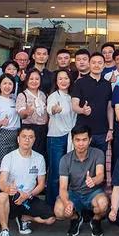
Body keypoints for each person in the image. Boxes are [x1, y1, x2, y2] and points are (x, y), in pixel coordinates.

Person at [0, 126, 54, 236]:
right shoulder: (9, 157)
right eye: (24, 137)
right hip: (13, 197)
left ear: (34, 140)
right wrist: (9, 189)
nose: (27, 140)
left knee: (50, 218)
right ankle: (5, 231)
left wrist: (28, 195)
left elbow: (41, 184)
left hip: (29, 198)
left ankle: (24, 218)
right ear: (18, 139)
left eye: (30, 137)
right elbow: (2, 182)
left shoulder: (39, 158)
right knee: (2, 196)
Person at [54, 124, 108, 236]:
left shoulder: (98, 153)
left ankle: (96, 220)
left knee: (103, 204)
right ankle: (75, 218)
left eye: (84, 140)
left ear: (90, 140)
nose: (81, 143)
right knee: (59, 211)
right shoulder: (65, 159)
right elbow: (63, 187)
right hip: (74, 193)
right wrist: (67, 203)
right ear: (72, 140)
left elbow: (100, 175)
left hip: (93, 193)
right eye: (77, 140)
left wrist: (93, 180)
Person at [71, 52, 114, 155]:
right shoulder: (80, 83)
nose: (96, 65)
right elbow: (74, 106)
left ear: (104, 65)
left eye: (100, 63)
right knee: (82, 161)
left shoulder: (107, 84)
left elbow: (109, 108)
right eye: (93, 62)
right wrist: (82, 110)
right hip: (83, 131)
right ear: (89, 64)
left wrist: (111, 129)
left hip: (102, 132)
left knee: (100, 161)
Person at [45, 69, 75, 203]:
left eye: (66, 78)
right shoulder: (54, 96)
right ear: (56, 82)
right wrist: (54, 109)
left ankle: (65, 202)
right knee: (56, 172)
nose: (63, 81)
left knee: (69, 172)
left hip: (71, 137)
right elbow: (50, 109)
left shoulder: (73, 96)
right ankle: (52, 203)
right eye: (60, 79)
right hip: (56, 138)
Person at [16, 68, 49, 158]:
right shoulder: (22, 95)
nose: (34, 81)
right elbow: (21, 114)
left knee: (41, 156)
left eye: (37, 79)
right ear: (27, 80)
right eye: (31, 79)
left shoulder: (44, 95)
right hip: (29, 130)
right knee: (28, 155)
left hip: (43, 130)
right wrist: (27, 112)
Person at [0, 73, 20, 165]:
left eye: (10, 84)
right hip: (2, 136)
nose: (7, 86)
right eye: (4, 83)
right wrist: (1, 122)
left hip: (15, 136)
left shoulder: (15, 101)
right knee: (1, 165)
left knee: (13, 165)